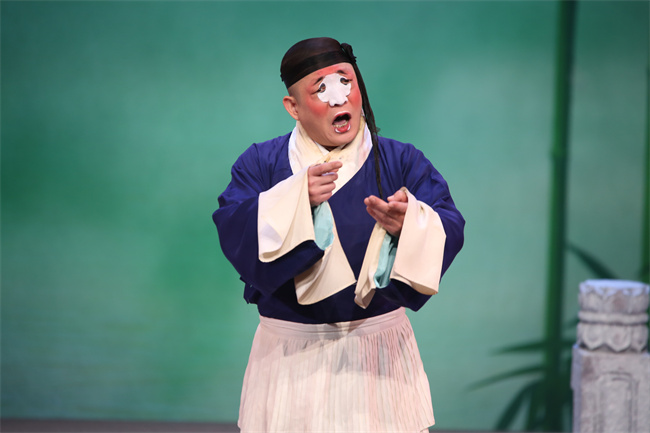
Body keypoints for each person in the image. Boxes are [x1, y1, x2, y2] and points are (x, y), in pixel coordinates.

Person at [213, 37, 465, 433]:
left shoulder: (401, 161)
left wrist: (410, 225)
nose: (339, 98)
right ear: (293, 107)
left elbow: (449, 223)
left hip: (378, 356)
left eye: (346, 82)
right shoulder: (261, 163)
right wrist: (294, 199)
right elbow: (233, 226)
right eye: (321, 89)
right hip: (289, 356)